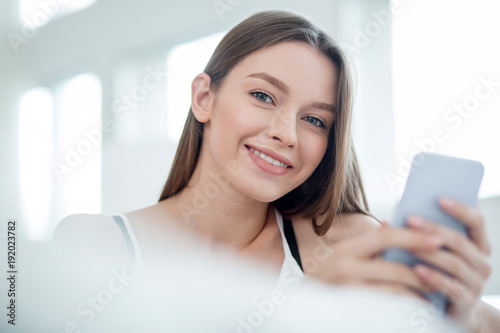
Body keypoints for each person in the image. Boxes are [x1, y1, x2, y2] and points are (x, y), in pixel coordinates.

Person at [53, 10, 500, 332]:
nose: (287, 133)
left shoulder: (341, 243)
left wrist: (463, 315)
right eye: (264, 96)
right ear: (204, 98)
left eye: (315, 120)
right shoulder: (93, 244)